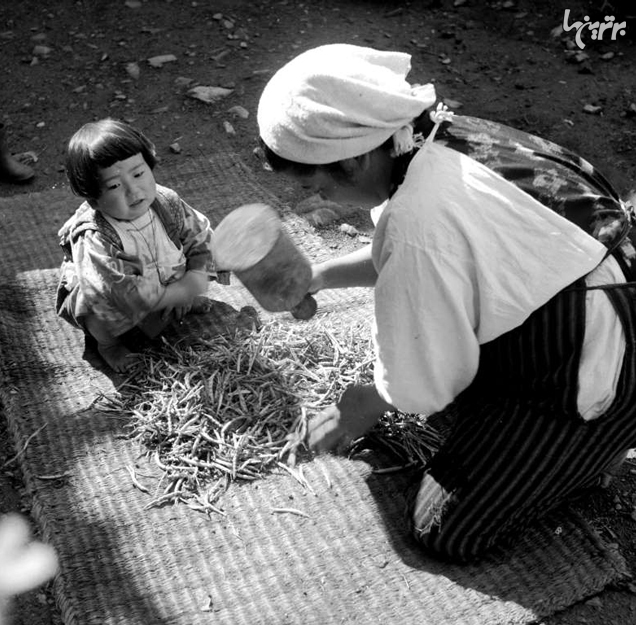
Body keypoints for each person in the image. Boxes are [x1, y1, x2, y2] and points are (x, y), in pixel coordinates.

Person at [257, 43, 636, 562]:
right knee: (467, 396)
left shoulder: (422, 218)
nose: (318, 198)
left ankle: (591, 445)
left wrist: (363, 403)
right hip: (590, 288)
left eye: (316, 183)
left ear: (358, 157)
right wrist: (320, 277)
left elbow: (424, 376)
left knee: (443, 526)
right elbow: (420, 255)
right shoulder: (433, 136)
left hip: (601, 356)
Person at [56, 119, 216, 372]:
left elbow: (200, 235)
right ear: (94, 200)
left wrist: (195, 274)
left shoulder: (167, 202)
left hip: (166, 276)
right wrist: (172, 294)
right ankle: (108, 346)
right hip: (120, 297)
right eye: (114, 186)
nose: (134, 191)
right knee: (95, 311)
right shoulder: (97, 235)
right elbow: (112, 288)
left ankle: (179, 299)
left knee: (196, 268)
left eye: (139, 174)